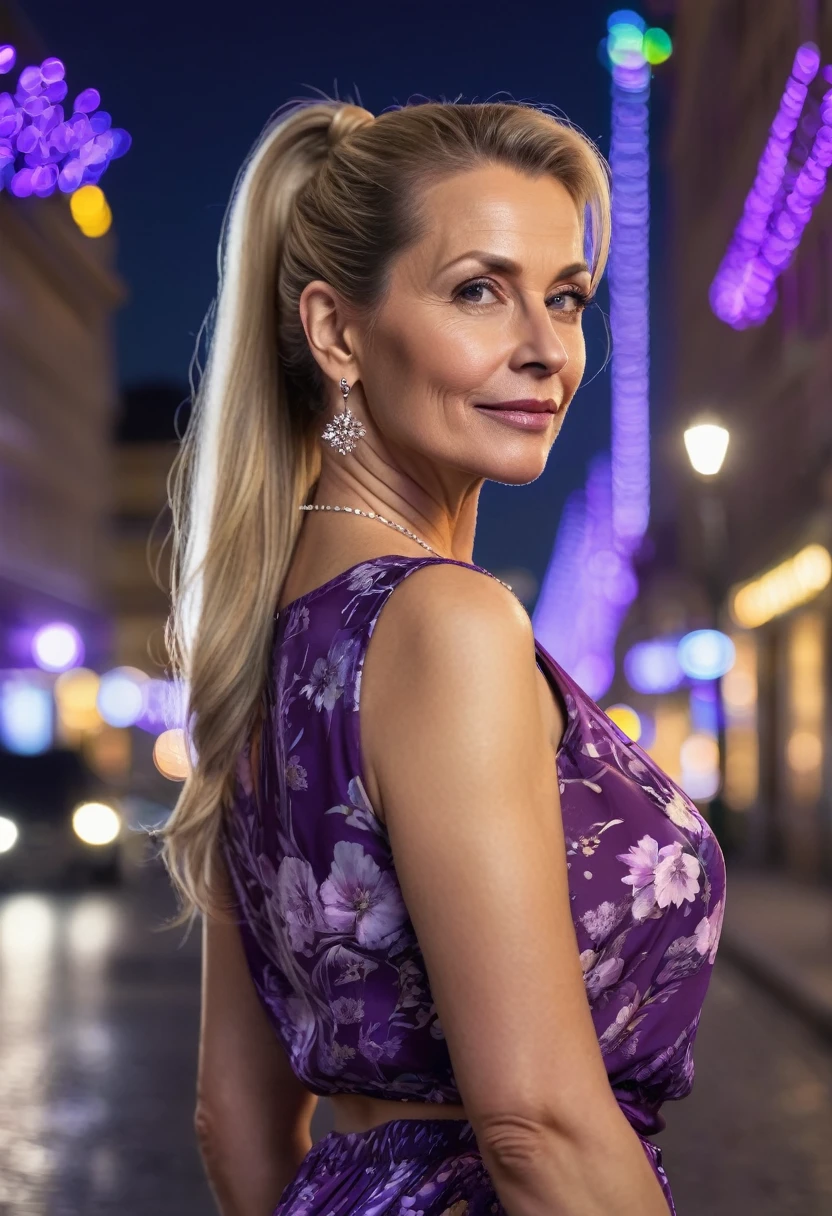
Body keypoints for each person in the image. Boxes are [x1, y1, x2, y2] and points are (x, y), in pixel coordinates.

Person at [160, 97, 726, 1216]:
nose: (545, 348)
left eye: (563, 296)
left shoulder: (259, 637)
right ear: (335, 334)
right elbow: (539, 1126)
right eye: (479, 289)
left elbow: (234, 1114)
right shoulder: (446, 624)